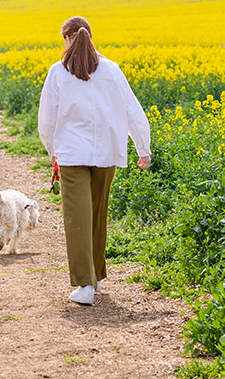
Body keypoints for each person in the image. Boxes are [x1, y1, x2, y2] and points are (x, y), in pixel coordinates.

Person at [38, 16, 151, 306]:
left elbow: (47, 120)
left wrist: (52, 150)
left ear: (66, 39)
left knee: (77, 217)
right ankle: (97, 277)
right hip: (107, 153)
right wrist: (143, 148)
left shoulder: (58, 71)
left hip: (72, 153)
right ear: (90, 36)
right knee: (98, 213)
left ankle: (85, 285)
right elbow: (132, 108)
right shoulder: (112, 69)